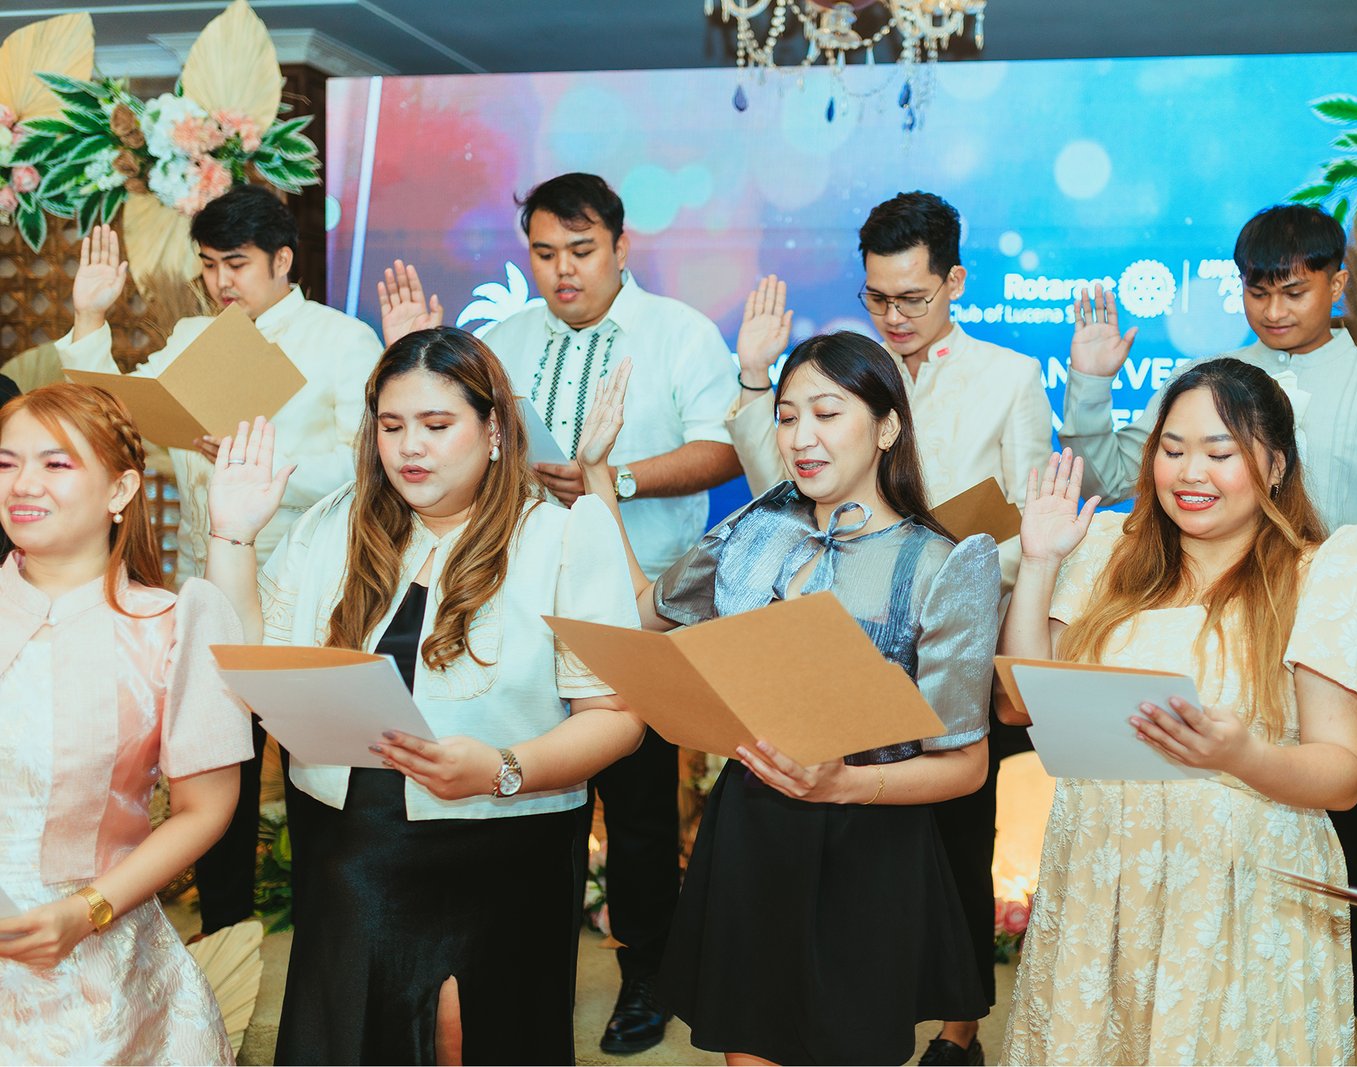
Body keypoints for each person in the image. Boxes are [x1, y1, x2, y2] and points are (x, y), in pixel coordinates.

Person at [1059, 203, 1357, 1035]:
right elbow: (1117, 476)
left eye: (1294, 290)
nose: (1275, 310)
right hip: (1222, 665)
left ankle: (1341, 1034)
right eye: (1258, 292)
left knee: (1333, 883)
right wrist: (1092, 383)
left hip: (1326, 674)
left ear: (1337, 281)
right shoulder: (1210, 382)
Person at [203, 327, 646, 1065]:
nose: (411, 447)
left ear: (495, 430)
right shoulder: (332, 525)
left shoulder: (564, 535)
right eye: (392, 426)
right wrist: (232, 536)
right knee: (355, 1034)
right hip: (354, 840)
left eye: (437, 426)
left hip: (507, 836)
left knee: (479, 1038)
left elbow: (618, 718)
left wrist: (502, 768)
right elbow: (246, 668)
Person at [378, 172, 741, 1054]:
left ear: (621, 246)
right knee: (536, 787)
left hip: (638, 603)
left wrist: (613, 479)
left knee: (639, 802)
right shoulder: (499, 342)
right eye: (544, 253)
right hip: (516, 600)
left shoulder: (679, 334)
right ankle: (529, 964)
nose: (562, 270)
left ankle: (645, 971)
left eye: (581, 251)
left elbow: (725, 448)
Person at [576, 330, 1001, 1065]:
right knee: (749, 1047)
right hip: (753, 826)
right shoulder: (754, 530)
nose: (802, 436)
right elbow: (643, 613)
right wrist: (597, 478)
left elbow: (966, 766)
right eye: (787, 416)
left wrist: (843, 783)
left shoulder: (942, 563)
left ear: (887, 427)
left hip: (873, 843)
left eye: (827, 414)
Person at [1000, 359, 1357, 1064]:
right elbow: (1021, 700)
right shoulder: (1109, 554)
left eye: (1219, 453)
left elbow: (1344, 774)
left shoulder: (1325, 576)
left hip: (1237, 892)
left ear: (1276, 465)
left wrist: (1241, 756)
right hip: (1101, 880)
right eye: (1172, 450)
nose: (1189, 473)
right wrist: (1040, 561)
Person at [727, 191, 1054, 1064]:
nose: (894, 315)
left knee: (955, 833)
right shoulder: (838, 373)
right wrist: (757, 386)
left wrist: (953, 572)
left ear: (955, 281)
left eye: (913, 297)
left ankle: (956, 1028)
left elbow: (1030, 517)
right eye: (876, 297)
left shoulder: (1008, 377)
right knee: (852, 847)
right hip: (838, 633)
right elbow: (779, 495)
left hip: (954, 631)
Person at [59, 188, 383, 937]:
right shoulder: (195, 338)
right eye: (208, 265)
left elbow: (369, 464)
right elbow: (111, 415)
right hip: (205, 586)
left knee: (316, 776)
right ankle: (225, 935)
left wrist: (255, 467)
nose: (220, 281)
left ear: (282, 260)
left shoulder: (342, 340)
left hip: (308, 591)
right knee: (214, 769)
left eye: (235, 264)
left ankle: (334, 939)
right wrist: (90, 320)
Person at [0, 382, 252, 1064]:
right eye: (6, 462)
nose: (23, 484)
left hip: (102, 979)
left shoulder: (170, 625)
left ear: (121, 489)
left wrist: (88, 909)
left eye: (56, 463)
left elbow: (207, 806)